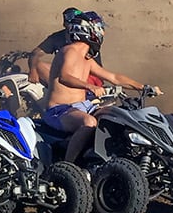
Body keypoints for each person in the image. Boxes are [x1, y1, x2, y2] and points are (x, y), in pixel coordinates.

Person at [42, 12, 152, 165]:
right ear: (88, 31)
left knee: (114, 116)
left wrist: (143, 87)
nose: (102, 32)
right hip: (59, 110)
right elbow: (64, 77)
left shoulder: (88, 58)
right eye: (99, 28)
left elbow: (114, 78)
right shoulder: (69, 51)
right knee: (89, 122)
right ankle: (68, 166)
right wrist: (90, 86)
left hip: (82, 107)